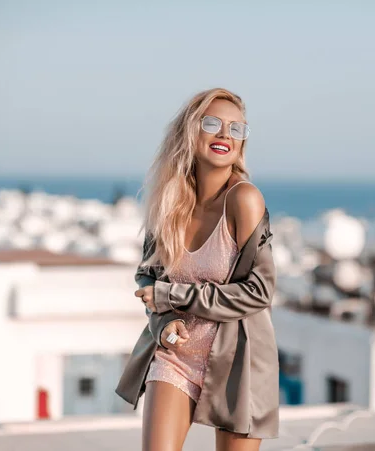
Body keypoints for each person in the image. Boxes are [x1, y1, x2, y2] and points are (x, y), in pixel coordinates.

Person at [115, 88, 279, 451]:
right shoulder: (169, 201)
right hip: (176, 357)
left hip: (239, 363)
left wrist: (172, 296)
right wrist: (162, 322)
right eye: (213, 124)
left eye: (237, 129)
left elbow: (259, 293)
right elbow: (149, 277)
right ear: (190, 132)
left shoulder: (244, 199)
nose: (225, 135)